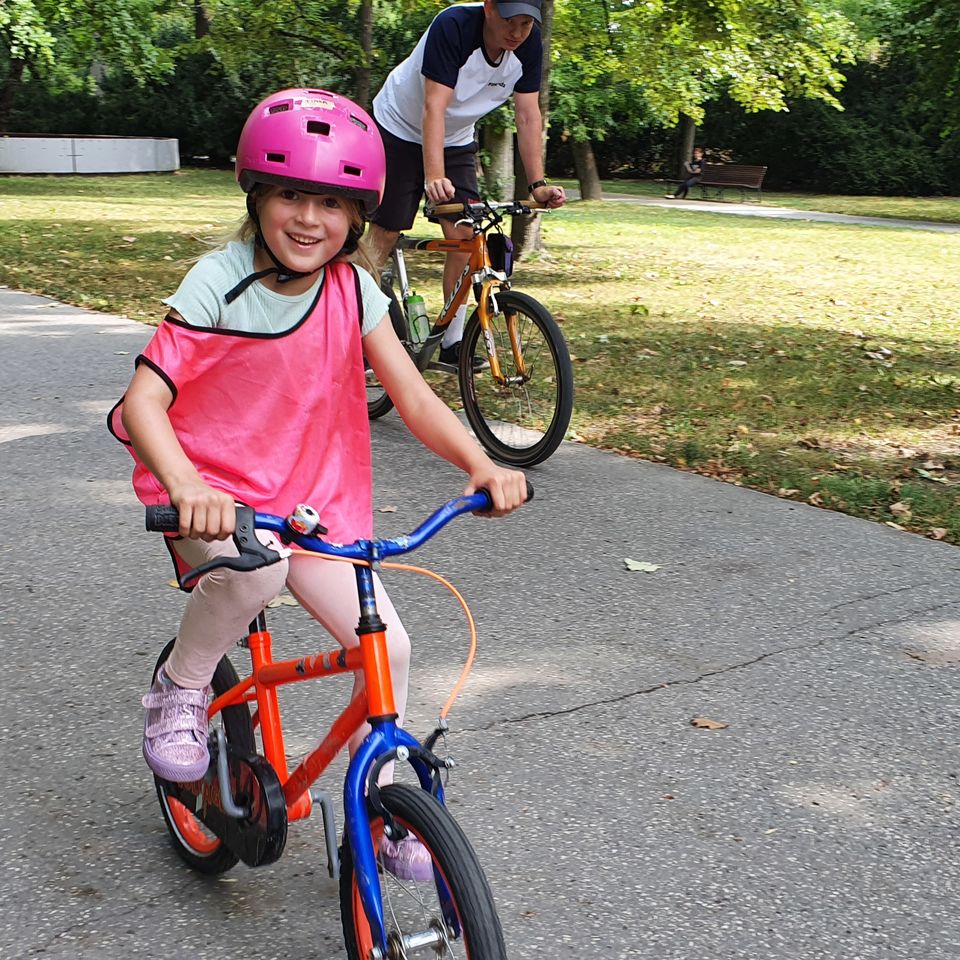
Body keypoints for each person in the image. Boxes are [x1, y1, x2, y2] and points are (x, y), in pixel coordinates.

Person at [108, 88, 527, 882]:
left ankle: (382, 808)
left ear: (359, 214)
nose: (310, 219)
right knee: (254, 571)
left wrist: (480, 462)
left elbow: (412, 394)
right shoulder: (215, 281)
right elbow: (146, 400)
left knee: (390, 646)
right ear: (257, 197)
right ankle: (180, 686)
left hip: (310, 502)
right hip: (216, 493)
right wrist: (187, 485)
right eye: (292, 195)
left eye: (331, 203)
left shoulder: (352, 291)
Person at [366, 0, 566, 366]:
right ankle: (361, 324)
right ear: (489, 7)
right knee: (386, 231)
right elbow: (433, 107)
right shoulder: (454, 25)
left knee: (463, 236)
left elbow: (527, 114)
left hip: (456, 138)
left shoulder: (528, 44)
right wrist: (433, 175)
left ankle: (452, 342)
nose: (517, 33)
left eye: (526, 24)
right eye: (510, 21)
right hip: (398, 128)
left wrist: (537, 184)